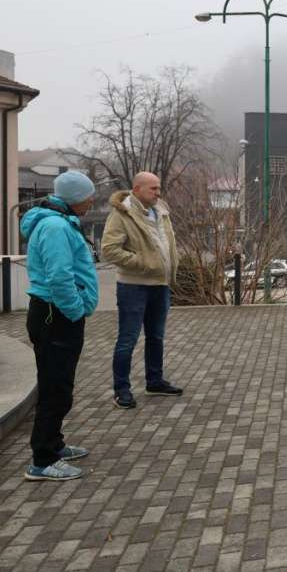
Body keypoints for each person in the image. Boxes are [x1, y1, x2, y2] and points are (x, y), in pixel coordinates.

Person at [21, 171, 99, 481]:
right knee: (56, 389)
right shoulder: (55, 227)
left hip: (55, 315)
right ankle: (43, 460)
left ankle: (54, 444)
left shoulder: (60, 222)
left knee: (57, 384)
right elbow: (59, 276)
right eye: (89, 196)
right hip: (56, 316)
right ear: (76, 198)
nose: (92, 201)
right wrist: (75, 310)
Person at [102, 172, 182, 409]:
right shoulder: (121, 214)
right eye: (153, 189)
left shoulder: (161, 212)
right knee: (128, 339)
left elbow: (167, 245)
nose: (158, 193)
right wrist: (144, 262)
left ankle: (154, 382)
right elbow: (109, 250)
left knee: (156, 337)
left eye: (159, 188)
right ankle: (121, 389)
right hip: (133, 287)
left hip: (160, 285)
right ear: (136, 190)